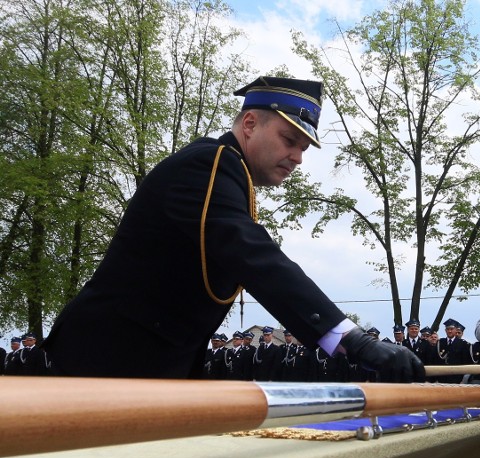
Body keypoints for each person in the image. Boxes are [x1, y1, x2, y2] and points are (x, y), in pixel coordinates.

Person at [42, 76, 423, 383]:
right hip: (105, 362)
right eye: (290, 140)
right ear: (250, 123)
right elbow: (251, 253)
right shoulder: (210, 163)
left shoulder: (229, 173)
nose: (297, 157)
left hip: (144, 365)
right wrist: (350, 339)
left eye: (305, 148)